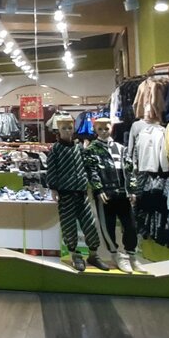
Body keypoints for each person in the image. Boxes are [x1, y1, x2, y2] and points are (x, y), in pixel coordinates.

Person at [48, 115, 109, 272]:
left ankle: (93, 254)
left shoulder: (79, 147)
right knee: (69, 225)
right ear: (58, 129)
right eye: (64, 128)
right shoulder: (55, 149)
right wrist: (53, 188)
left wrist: (94, 186)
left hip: (82, 193)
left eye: (70, 128)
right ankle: (74, 254)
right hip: (65, 193)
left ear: (74, 128)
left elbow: (87, 167)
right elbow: (52, 169)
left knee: (89, 224)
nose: (67, 131)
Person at [84, 117, 144, 273]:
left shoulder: (121, 148)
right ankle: (116, 254)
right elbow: (91, 171)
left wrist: (132, 189)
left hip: (123, 193)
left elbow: (129, 170)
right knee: (108, 226)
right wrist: (98, 189)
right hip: (106, 194)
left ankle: (132, 255)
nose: (104, 132)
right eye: (100, 129)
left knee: (130, 225)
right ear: (95, 130)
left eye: (106, 128)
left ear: (111, 128)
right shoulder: (91, 149)